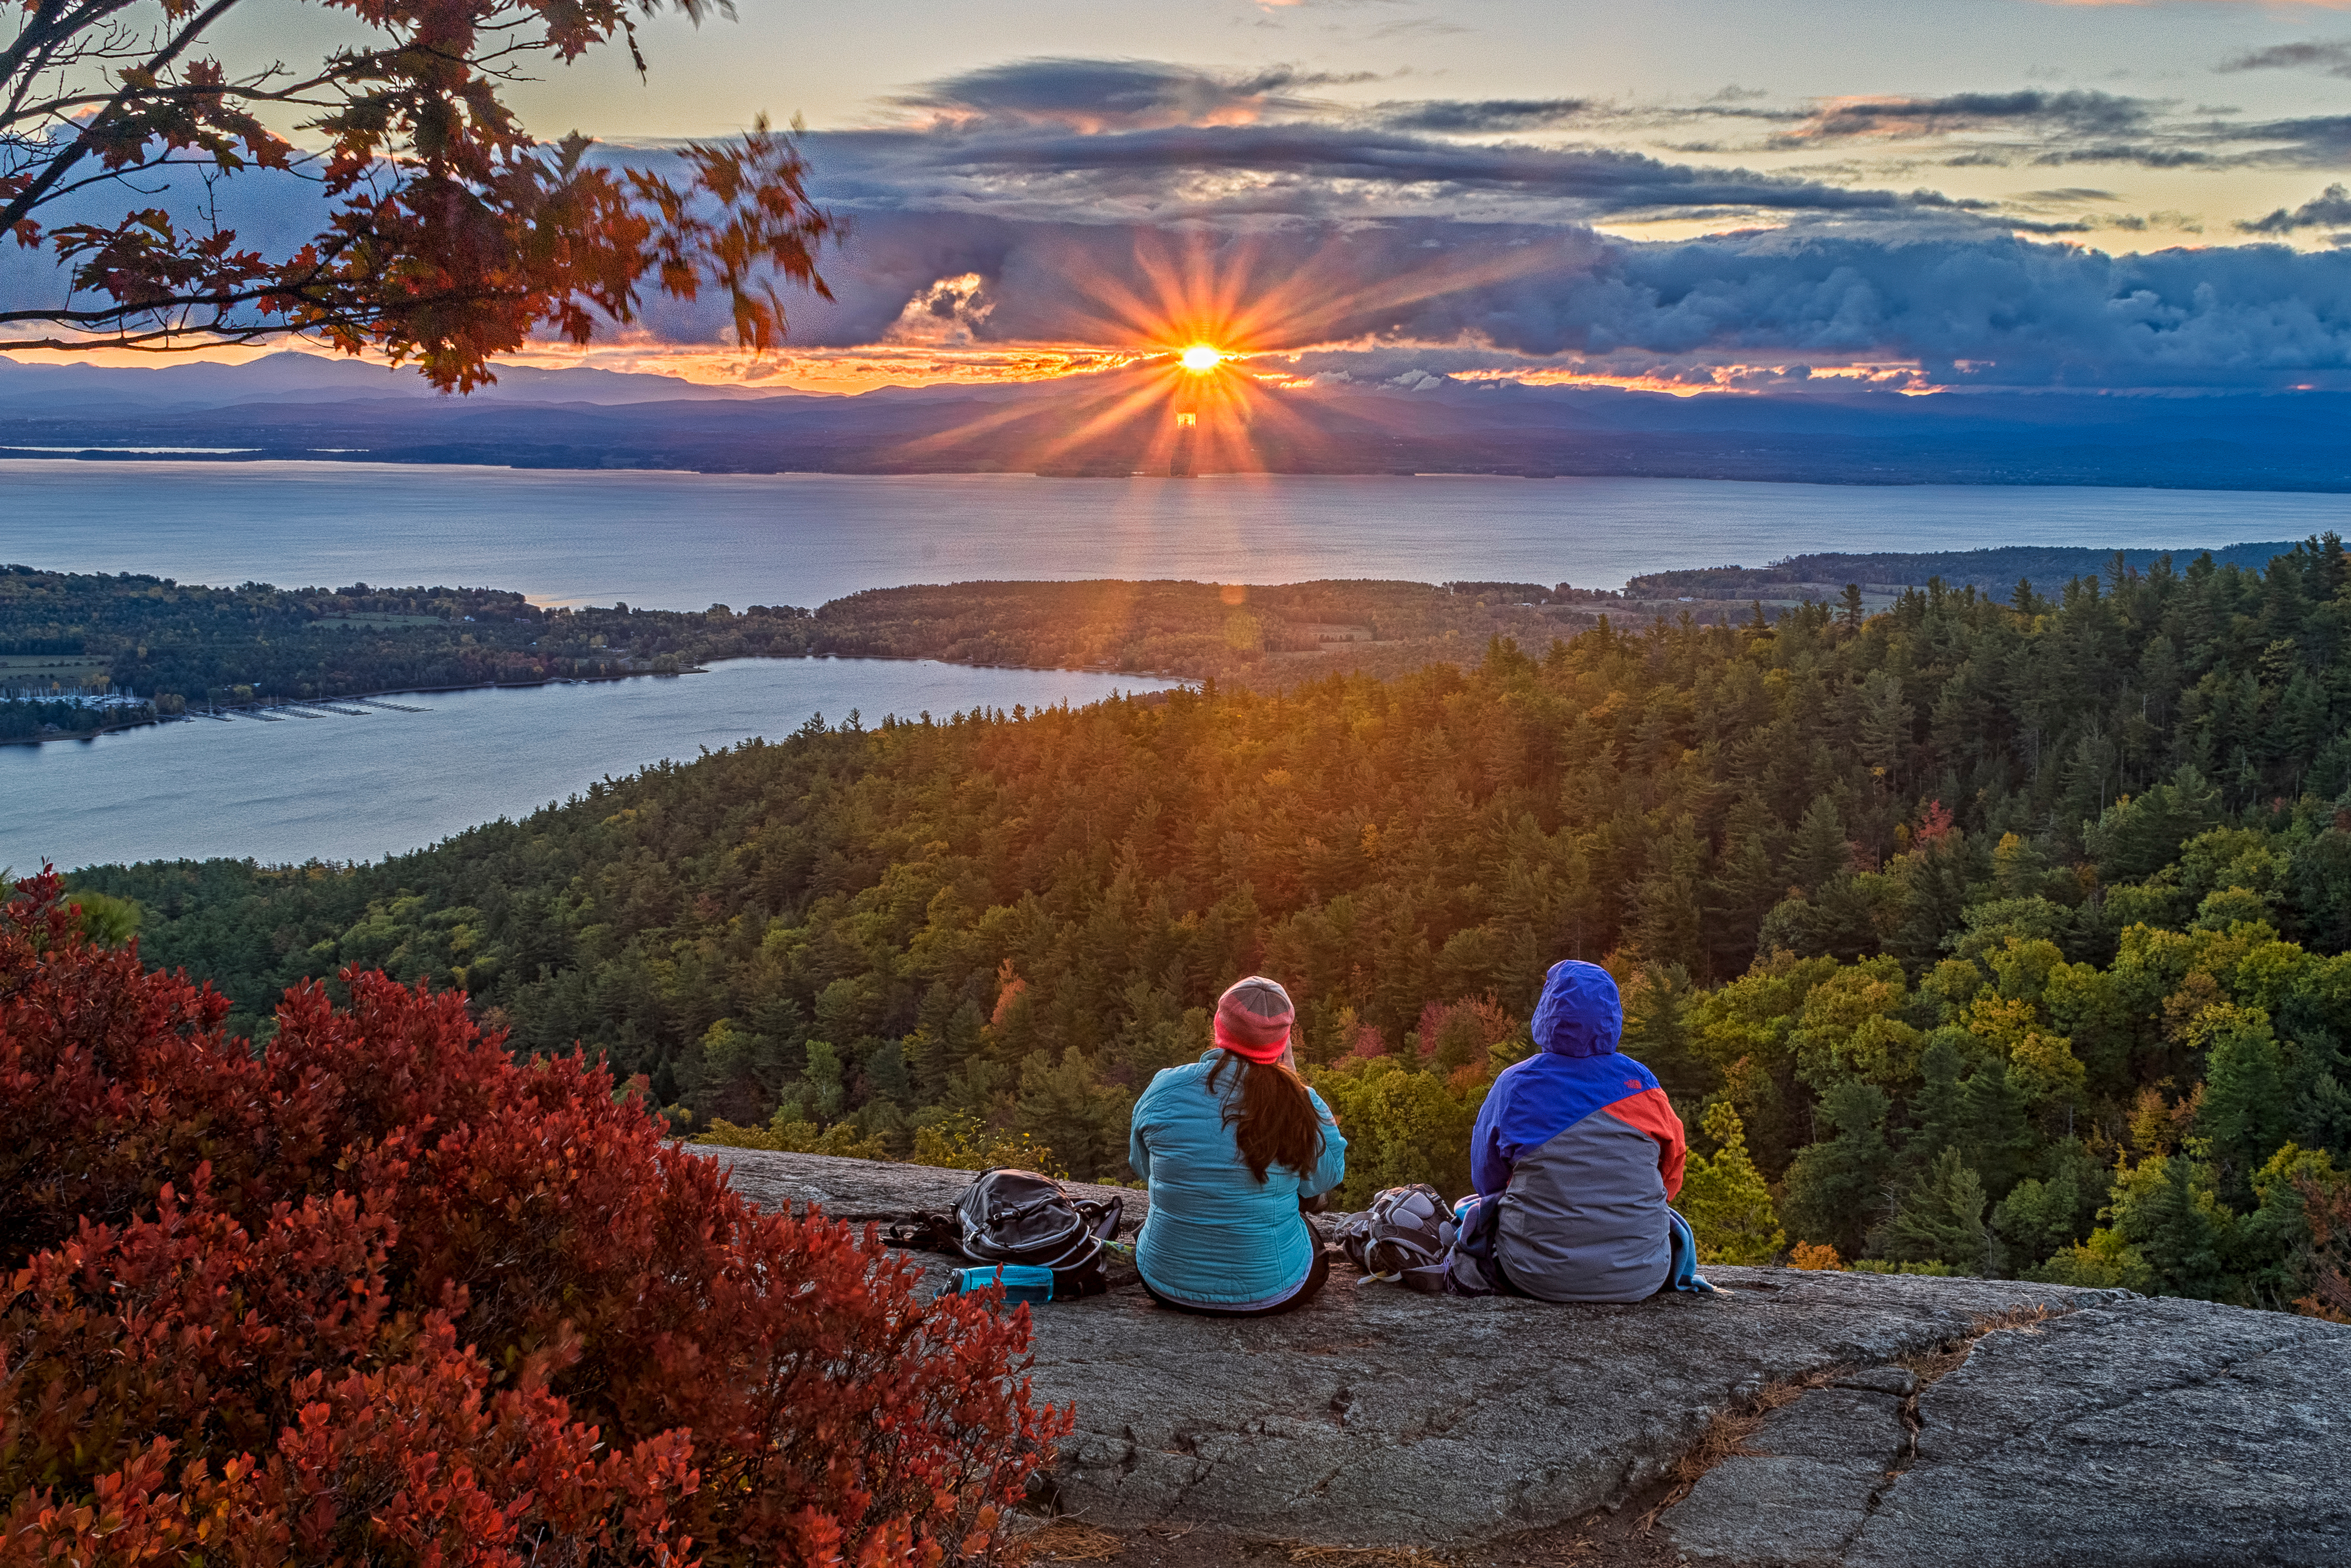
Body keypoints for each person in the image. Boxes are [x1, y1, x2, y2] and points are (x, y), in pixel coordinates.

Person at [1467, 959, 1687, 1302]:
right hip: (1642, 1275)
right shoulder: (1645, 1085)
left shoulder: (1515, 1085)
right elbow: (1671, 1175)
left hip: (1533, 1273)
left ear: (1547, 1012)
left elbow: (1486, 1180)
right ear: (1612, 1016)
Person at [1127, 976, 1348, 1316]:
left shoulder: (1163, 1088)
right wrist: (1291, 1077)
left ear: (1218, 1025)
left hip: (1163, 1281)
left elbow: (1143, 1167)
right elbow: (1327, 1177)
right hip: (1272, 1288)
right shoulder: (1301, 1102)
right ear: (1283, 1040)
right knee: (1308, 1213)